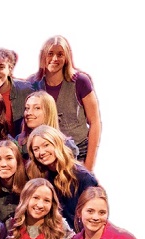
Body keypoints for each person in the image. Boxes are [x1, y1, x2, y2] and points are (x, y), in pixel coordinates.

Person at [32, 36, 101, 169]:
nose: (55, 58)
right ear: (43, 56)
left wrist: (88, 166)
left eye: (60, 54)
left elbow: (95, 122)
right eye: (50, 54)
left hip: (79, 152)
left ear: (67, 57)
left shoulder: (80, 81)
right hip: (46, 154)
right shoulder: (33, 83)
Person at [26, 125, 98, 230]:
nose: (41, 152)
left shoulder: (83, 177)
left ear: (57, 144)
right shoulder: (39, 178)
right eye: (36, 149)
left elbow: (95, 215)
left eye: (46, 145)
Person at [16, 91, 79, 160]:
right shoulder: (19, 140)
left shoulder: (65, 144)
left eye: (37, 108)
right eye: (27, 108)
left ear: (48, 112)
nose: (29, 113)